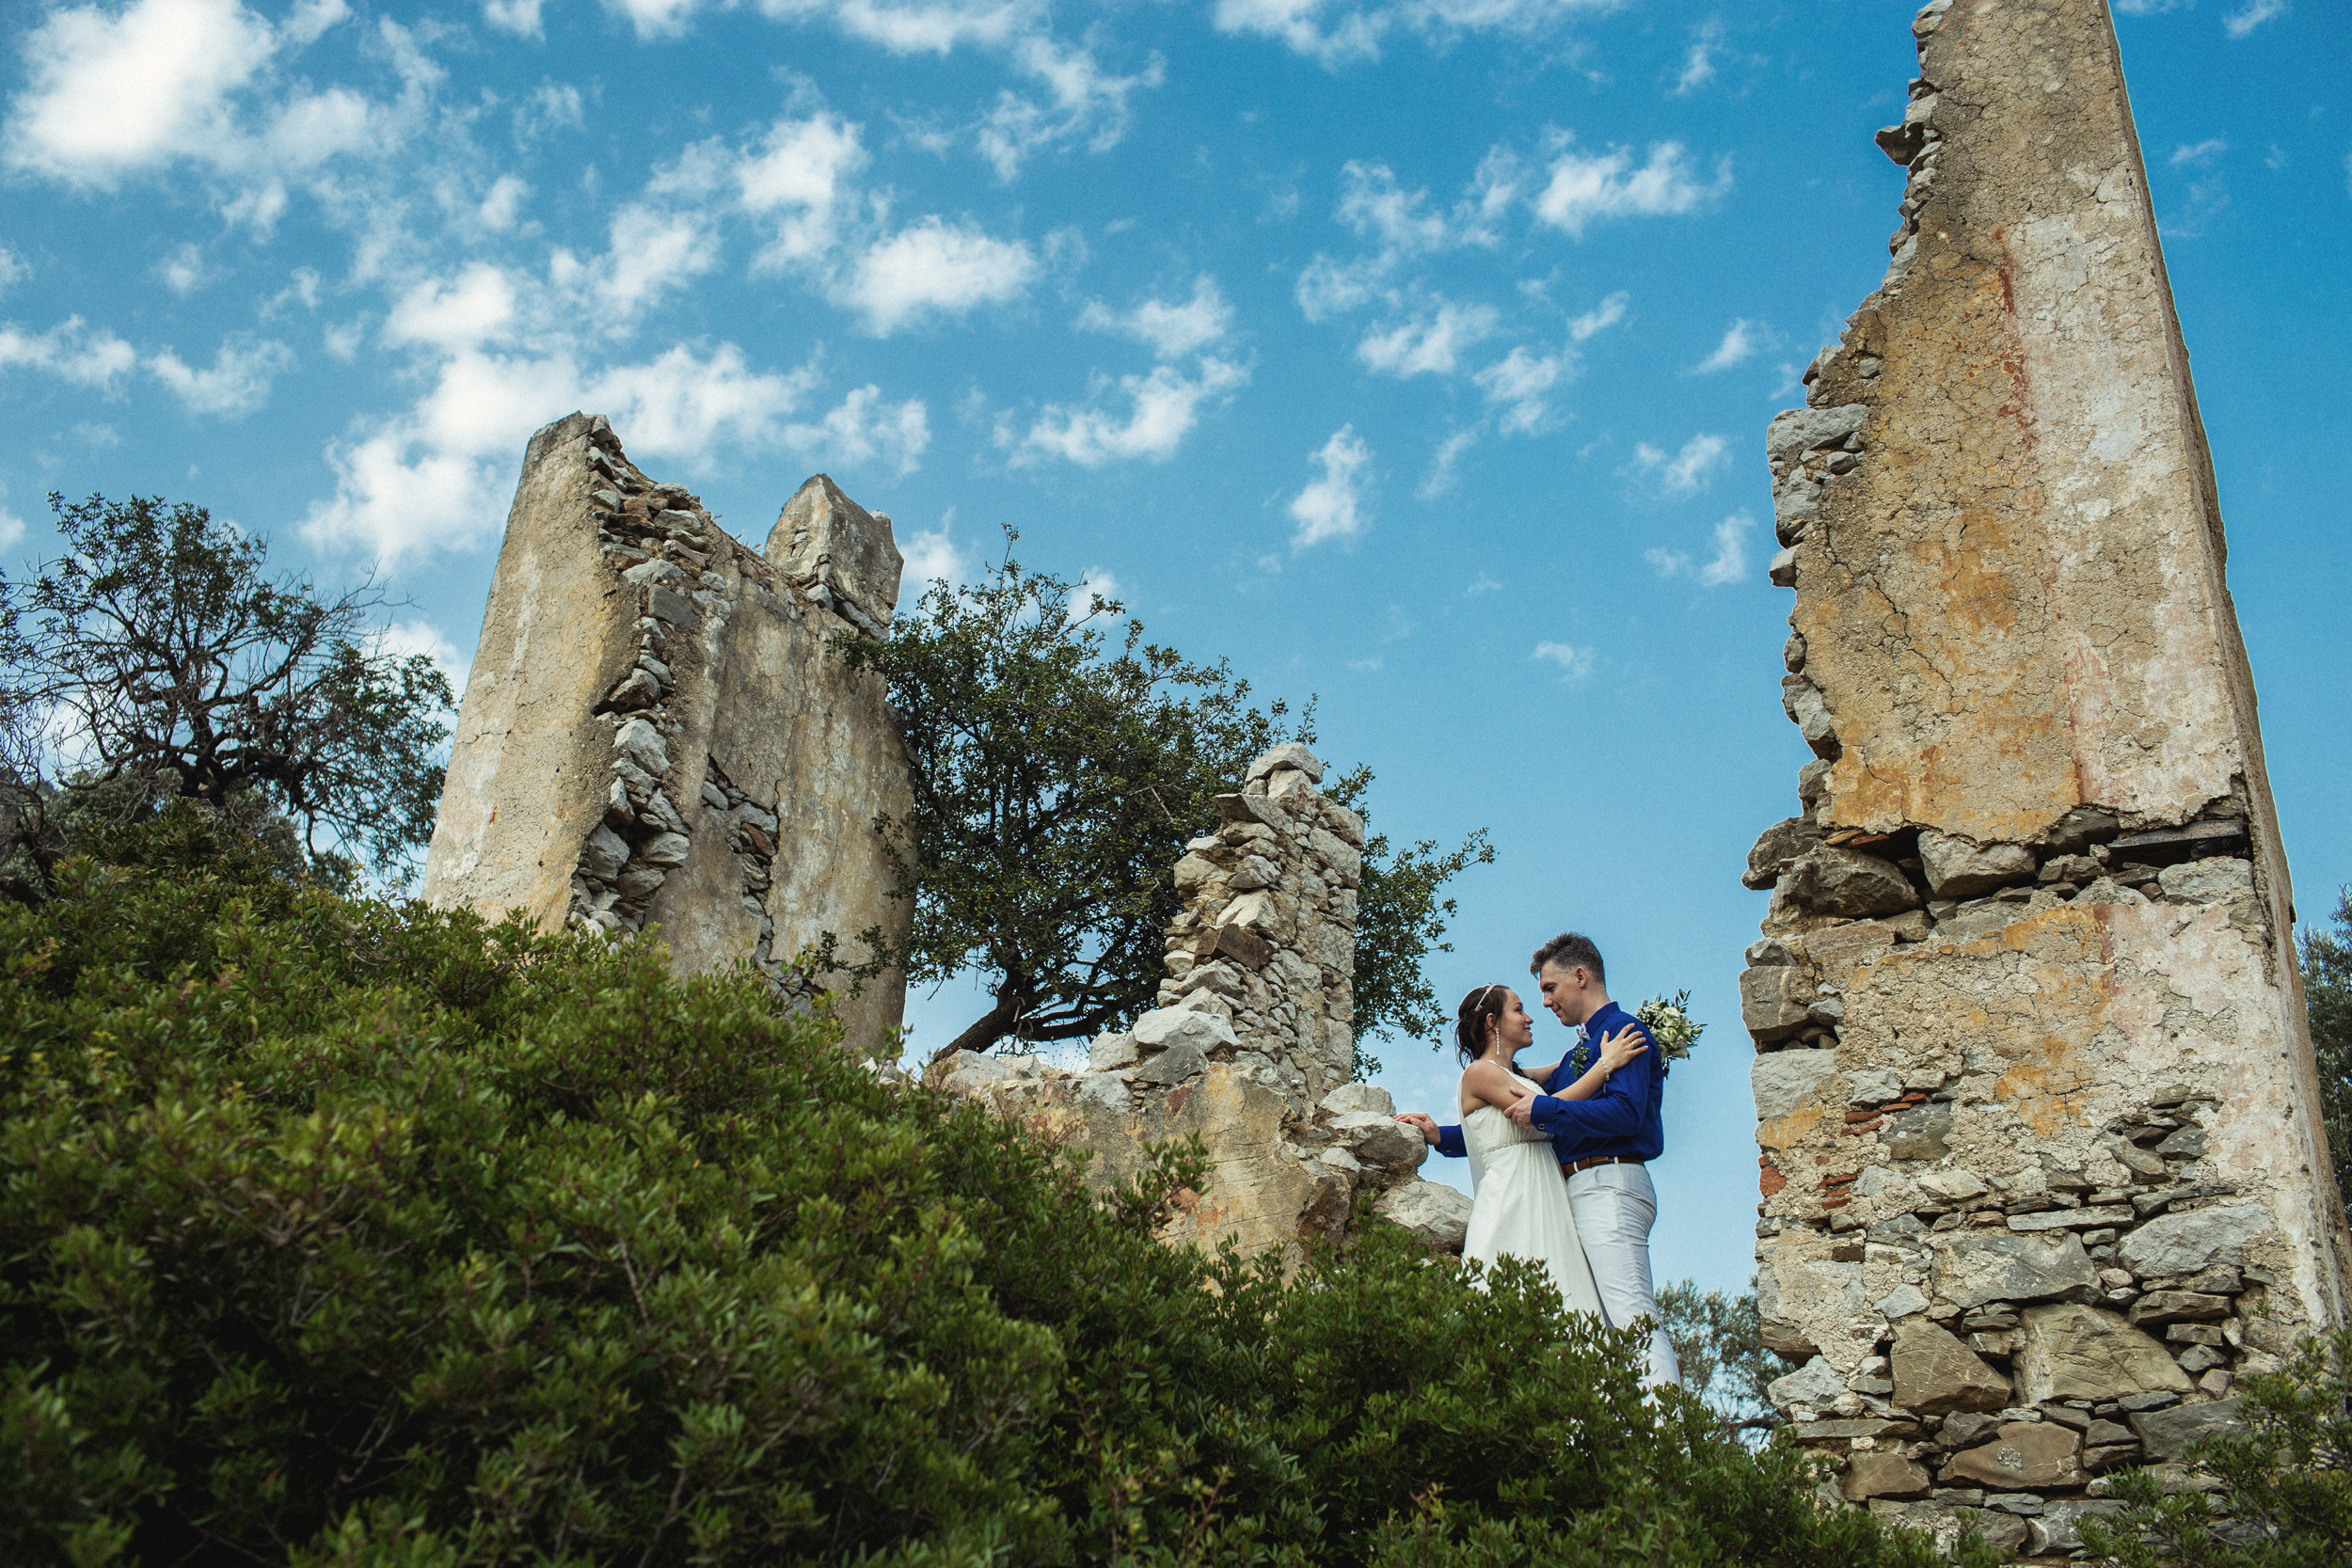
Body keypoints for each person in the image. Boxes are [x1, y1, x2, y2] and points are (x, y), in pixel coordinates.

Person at [1399, 932, 1682, 1388]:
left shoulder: (1622, 1034)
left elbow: (1623, 1114)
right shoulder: (1577, 1055)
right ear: (1492, 1023)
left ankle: (1668, 1441)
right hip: (1564, 1193)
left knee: (1631, 1319)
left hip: (1608, 1180)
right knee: (1600, 1323)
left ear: (1580, 976)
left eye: (1549, 989)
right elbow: (1505, 1118)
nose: (1542, 1005)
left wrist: (1577, 1084)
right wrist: (1440, 1136)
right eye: (1526, 1004)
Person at [1449, 980, 1645, 1320]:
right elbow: (1548, 1105)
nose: (1529, 1017)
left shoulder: (1519, 1075)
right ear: (1492, 1021)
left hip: (1549, 1195)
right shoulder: (1480, 1073)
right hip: (1513, 1196)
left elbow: (1566, 1068)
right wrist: (1607, 1066)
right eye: (1518, 1009)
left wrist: (1622, 1039)